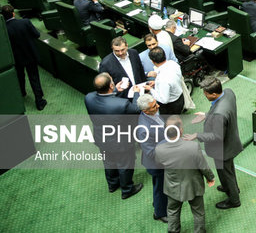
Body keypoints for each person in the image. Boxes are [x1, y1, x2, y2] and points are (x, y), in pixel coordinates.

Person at [185, 77, 243, 210]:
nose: (204, 95)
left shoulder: (219, 114)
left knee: (226, 173)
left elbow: (216, 136)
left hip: (223, 149)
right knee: (228, 170)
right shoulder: (228, 92)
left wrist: (196, 135)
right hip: (231, 141)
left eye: (206, 93)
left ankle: (234, 200)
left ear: (214, 94)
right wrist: (207, 115)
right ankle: (230, 187)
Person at [85, 72, 144, 198]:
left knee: (108, 162)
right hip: (121, 141)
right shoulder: (122, 104)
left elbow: (104, 100)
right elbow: (136, 109)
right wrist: (136, 93)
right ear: (111, 86)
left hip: (101, 138)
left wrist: (116, 90)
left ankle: (113, 185)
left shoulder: (88, 98)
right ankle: (127, 189)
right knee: (125, 165)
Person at [154, 116, 215, 233]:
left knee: (172, 211)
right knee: (198, 212)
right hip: (193, 185)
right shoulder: (192, 147)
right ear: (180, 130)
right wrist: (210, 178)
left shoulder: (159, 149)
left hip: (172, 187)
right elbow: (203, 166)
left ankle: (173, 230)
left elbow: (159, 163)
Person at [2, 5, 47, 110]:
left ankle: (22, 92)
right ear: (13, 13)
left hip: (16, 58)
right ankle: (39, 101)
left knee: (19, 76)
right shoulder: (25, 22)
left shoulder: (4, 29)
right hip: (30, 55)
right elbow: (37, 35)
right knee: (34, 77)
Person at [136, 94, 168, 223]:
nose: (158, 106)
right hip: (156, 165)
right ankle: (160, 213)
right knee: (160, 189)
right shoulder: (144, 130)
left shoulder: (153, 114)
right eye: (154, 106)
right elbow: (151, 152)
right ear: (145, 111)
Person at [148, 47, 184, 115]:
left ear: (152, 61)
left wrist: (151, 90)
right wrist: (156, 83)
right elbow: (172, 80)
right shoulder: (173, 63)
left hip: (170, 107)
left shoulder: (162, 78)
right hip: (180, 98)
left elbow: (164, 100)